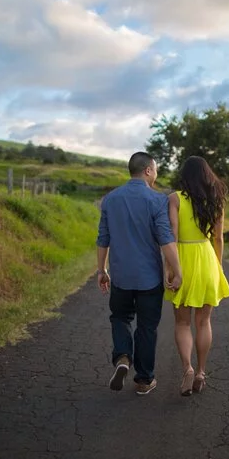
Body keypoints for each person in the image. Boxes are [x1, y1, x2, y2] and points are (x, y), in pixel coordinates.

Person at [96, 152, 183, 396]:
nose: (156, 174)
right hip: (149, 279)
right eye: (155, 169)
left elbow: (103, 238)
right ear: (147, 170)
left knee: (120, 317)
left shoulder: (111, 199)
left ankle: (123, 356)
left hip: (121, 276)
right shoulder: (157, 200)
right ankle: (144, 380)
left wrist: (101, 270)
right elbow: (166, 239)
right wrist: (177, 271)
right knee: (146, 327)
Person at [164, 156, 229, 396]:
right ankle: (202, 371)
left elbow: (171, 234)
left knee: (182, 322)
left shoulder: (175, 198)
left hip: (183, 258)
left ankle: (187, 369)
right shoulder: (216, 199)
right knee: (204, 322)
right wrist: (218, 267)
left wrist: (169, 269)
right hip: (207, 258)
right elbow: (219, 239)